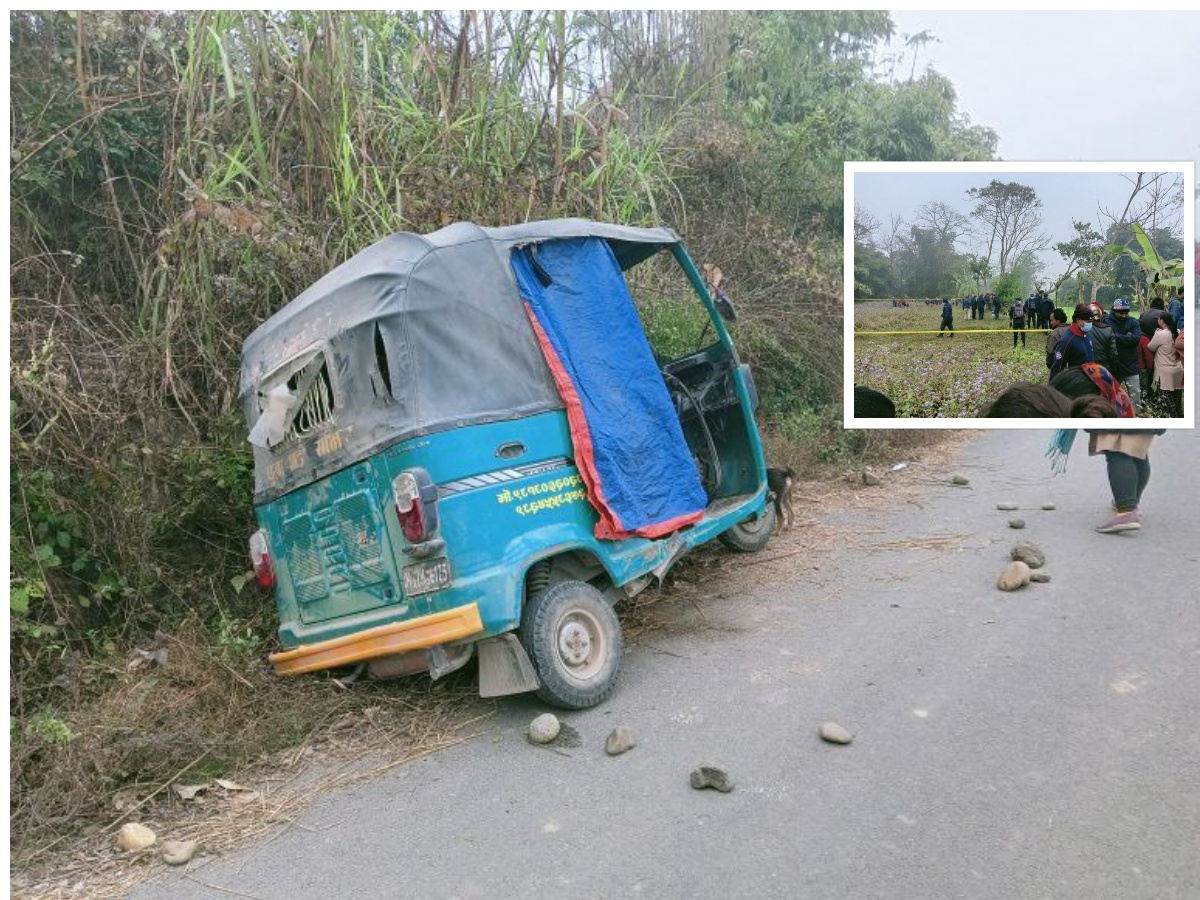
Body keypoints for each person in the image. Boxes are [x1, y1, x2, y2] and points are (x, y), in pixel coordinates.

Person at [1050, 364, 1156, 534]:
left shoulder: (1108, 416)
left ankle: (1127, 511)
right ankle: (1130, 501)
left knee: (1117, 454)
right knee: (1139, 454)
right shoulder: (1116, 396)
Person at [1106, 298, 1143, 408]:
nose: (1124, 315)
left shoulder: (1133, 321)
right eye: (1121, 313)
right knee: (1110, 396)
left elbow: (1136, 339)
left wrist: (1115, 336)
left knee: (1135, 397)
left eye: (1126, 313)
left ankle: (1135, 415)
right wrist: (1126, 337)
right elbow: (1107, 339)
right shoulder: (1106, 322)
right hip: (1114, 366)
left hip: (1131, 365)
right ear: (1114, 311)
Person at [1148, 312, 1183, 417]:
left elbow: (1150, 347)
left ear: (1162, 321)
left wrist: (1155, 334)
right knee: (1177, 399)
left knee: (1167, 401)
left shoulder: (1160, 334)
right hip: (1178, 369)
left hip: (1164, 372)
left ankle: (1173, 419)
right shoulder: (1177, 332)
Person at [1049, 304, 1096, 377]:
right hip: (1077, 381)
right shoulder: (1067, 340)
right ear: (1078, 320)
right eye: (1088, 322)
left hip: (1090, 378)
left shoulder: (1087, 333)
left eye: (1091, 322)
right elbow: (1057, 368)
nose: (1090, 324)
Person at [1087, 302, 1118, 375]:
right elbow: (1113, 353)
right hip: (1104, 368)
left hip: (1087, 367)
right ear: (1100, 315)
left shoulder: (1084, 329)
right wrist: (1113, 367)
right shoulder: (1108, 329)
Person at [1045, 308, 1070, 373]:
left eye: (1052, 320)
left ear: (1058, 320)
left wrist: (1049, 364)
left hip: (1058, 368)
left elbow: (1050, 352)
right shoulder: (1072, 330)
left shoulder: (1054, 334)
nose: (1050, 322)